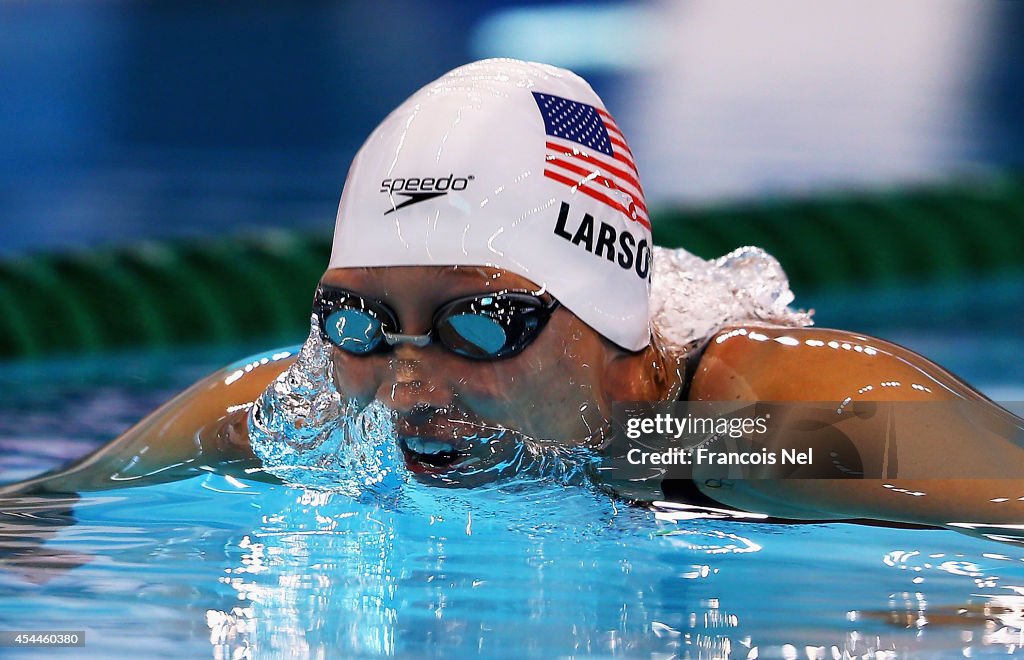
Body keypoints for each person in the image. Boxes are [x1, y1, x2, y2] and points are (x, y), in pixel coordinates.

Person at [3, 59, 1022, 533]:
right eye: (358, 321)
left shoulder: (778, 427)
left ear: (610, 323)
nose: (406, 394)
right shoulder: (319, 406)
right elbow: (37, 511)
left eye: (481, 326)